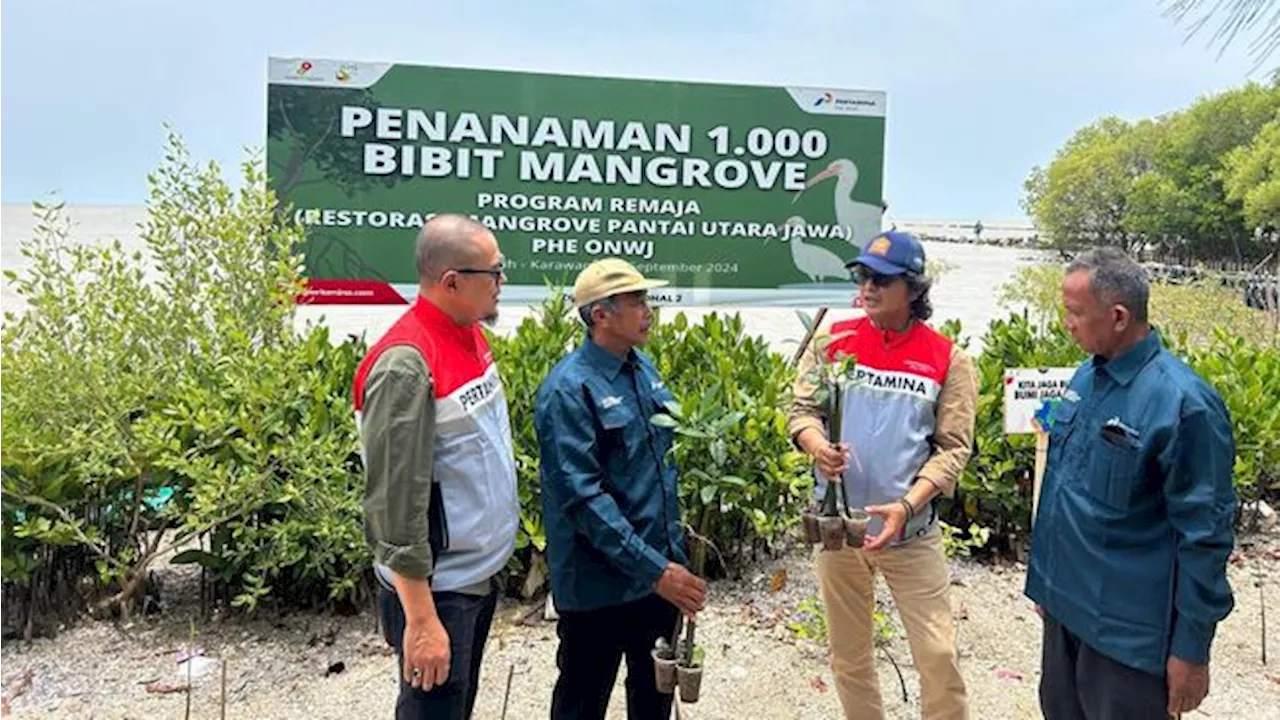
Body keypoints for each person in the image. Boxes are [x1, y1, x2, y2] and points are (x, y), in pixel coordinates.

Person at [1025, 247, 1237, 720]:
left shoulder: (1184, 406)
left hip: (1128, 641)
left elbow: (1205, 537)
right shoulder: (1085, 375)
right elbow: (1063, 488)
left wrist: (1191, 651)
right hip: (1066, 616)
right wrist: (1047, 589)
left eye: (1075, 313)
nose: (1066, 323)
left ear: (1118, 316)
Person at [788, 230, 977, 720]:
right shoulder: (832, 343)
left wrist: (908, 505)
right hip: (839, 531)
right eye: (863, 276)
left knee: (938, 657)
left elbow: (953, 449)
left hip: (911, 534)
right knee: (849, 656)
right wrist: (817, 445)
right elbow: (801, 411)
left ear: (914, 289)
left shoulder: (948, 359)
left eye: (883, 280)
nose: (868, 287)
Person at [352, 213, 519, 720]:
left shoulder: (467, 332)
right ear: (452, 282)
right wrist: (421, 622)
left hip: (472, 580)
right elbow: (394, 505)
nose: (501, 282)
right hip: (439, 593)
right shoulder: (406, 365)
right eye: (494, 271)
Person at [534, 258, 708, 720]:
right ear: (601, 315)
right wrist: (656, 570)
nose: (648, 310)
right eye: (636, 301)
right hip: (599, 588)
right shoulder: (568, 390)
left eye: (646, 300)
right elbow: (582, 499)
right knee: (581, 700)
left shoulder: (641, 368)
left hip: (657, 578)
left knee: (654, 699)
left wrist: (671, 564)